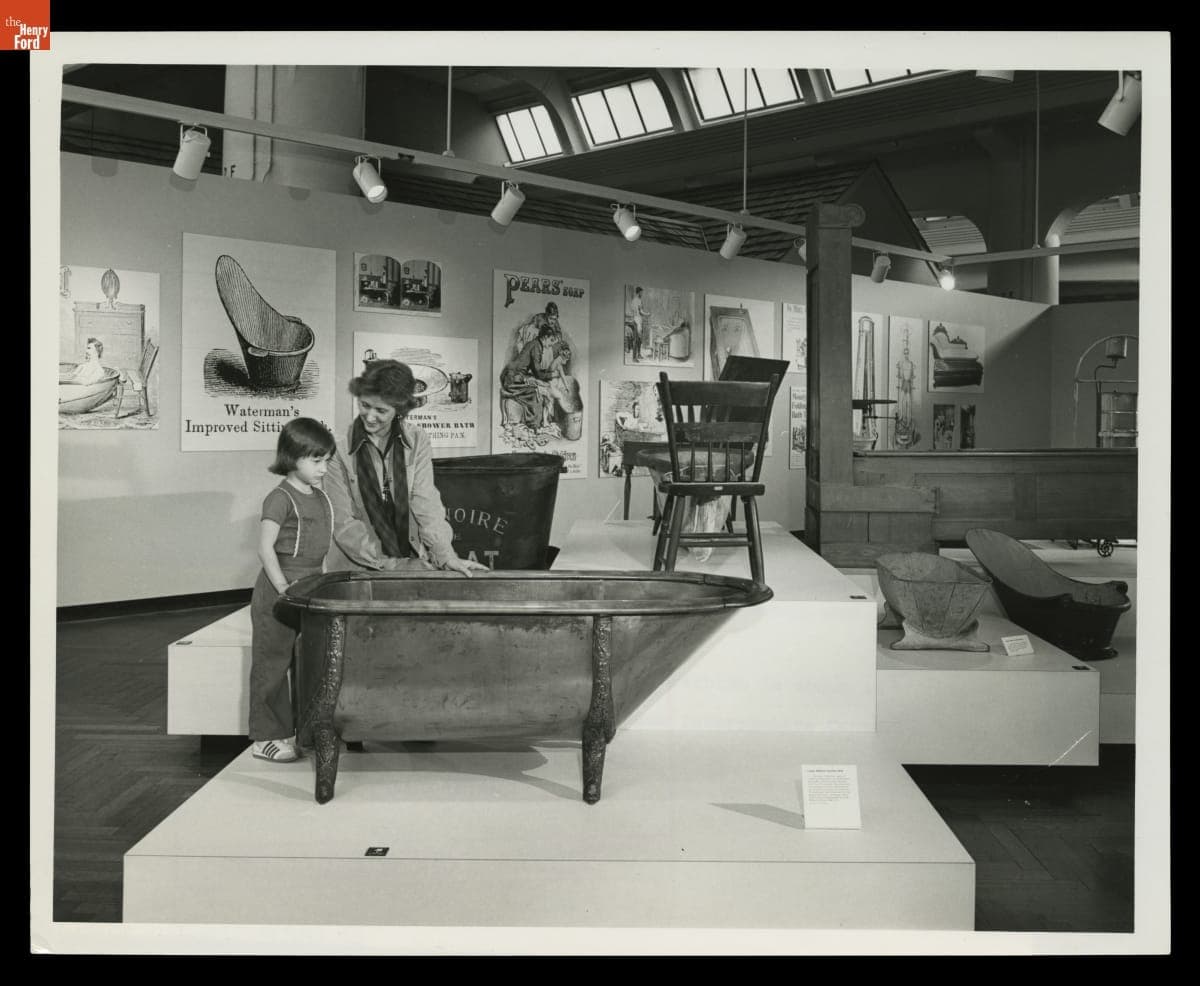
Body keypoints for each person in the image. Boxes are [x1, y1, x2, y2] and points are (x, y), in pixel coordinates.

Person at [323, 359, 487, 577]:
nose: (370, 417)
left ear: (398, 409)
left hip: (411, 562)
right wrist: (393, 565)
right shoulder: (337, 448)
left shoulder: (417, 440)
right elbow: (344, 523)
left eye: (381, 410)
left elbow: (426, 502)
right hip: (357, 570)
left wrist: (446, 556)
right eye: (365, 405)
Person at [249, 417, 337, 763]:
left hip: (312, 590)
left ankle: (310, 729)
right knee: (272, 664)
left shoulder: (320, 497)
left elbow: (321, 551)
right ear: (292, 457)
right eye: (316, 461)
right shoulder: (279, 498)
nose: (324, 468)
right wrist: (284, 588)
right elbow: (264, 549)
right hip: (279, 594)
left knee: (312, 663)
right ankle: (266, 739)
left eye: (327, 460)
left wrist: (324, 583)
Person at [499, 313, 574, 432]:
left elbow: (536, 371)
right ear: (544, 338)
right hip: (512, 378)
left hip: (514, 375)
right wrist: (552, 375)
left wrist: (541, 378)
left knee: (538, 386)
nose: (551, 344)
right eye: (551, 340)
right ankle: (534, 426)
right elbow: (538, 373)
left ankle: (538, 424)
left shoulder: (535, 344)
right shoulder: (536, 347)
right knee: (536, 394)